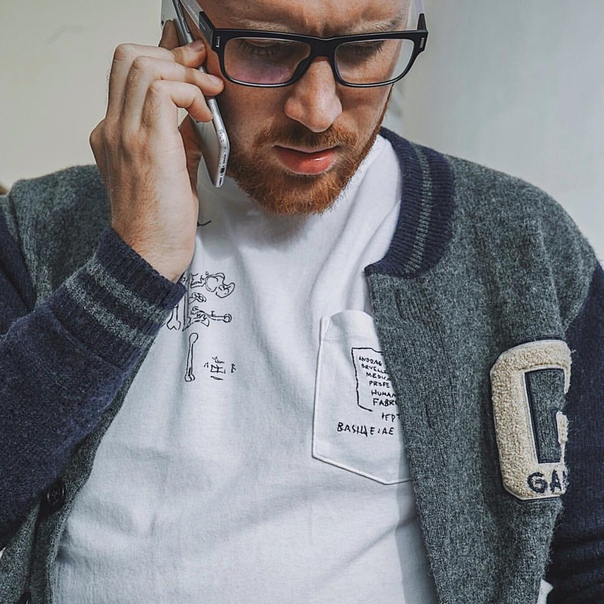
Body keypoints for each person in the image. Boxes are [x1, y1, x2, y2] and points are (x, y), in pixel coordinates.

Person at [1, 0, 602, 602]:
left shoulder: (524, 247)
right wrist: (131, 268)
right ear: (180, 28)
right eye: (266, 48)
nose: (317, 111)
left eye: (364, 49)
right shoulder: (37, 234)